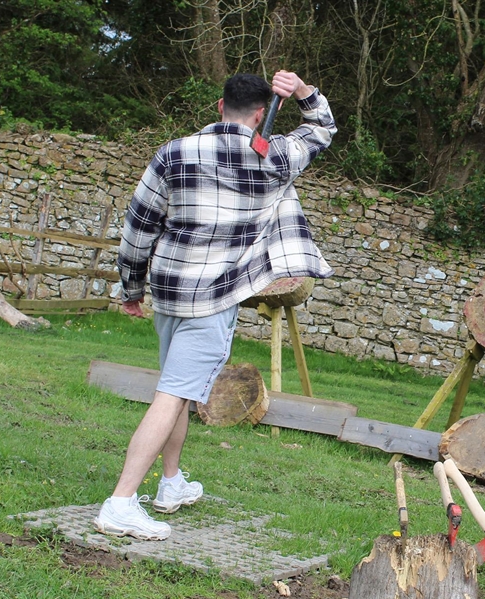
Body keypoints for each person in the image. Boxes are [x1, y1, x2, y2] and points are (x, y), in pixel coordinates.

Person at [93, 71, 337, 540]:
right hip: (213, 296)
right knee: (173, 396)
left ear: (220, 106)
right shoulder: (279, 157)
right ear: (262, 114)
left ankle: (171, 483)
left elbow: (138, 225)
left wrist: (130, 289)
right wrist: (303, 92)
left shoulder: (174, 152)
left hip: (167, 289)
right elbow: (322, 129)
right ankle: (121, 502)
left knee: (176, 389)